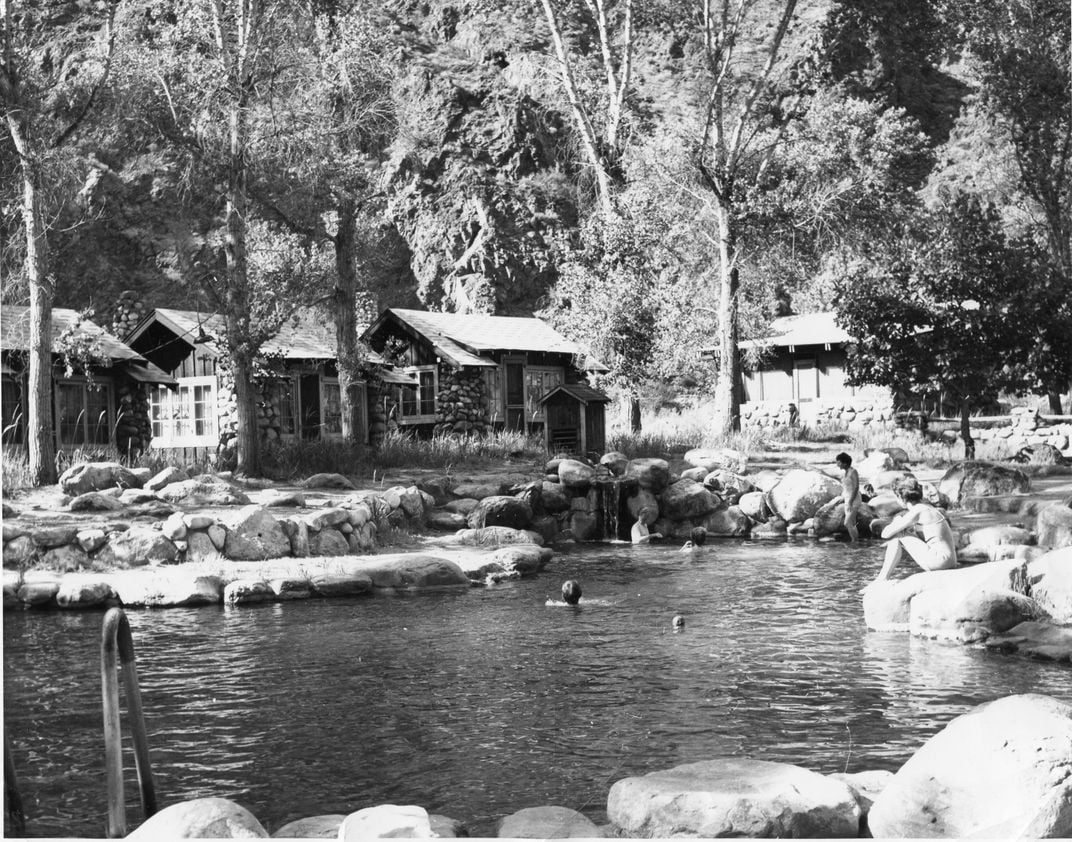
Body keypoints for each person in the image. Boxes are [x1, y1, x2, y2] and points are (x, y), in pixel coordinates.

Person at [871, 479, 957, 583]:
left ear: (901, 498)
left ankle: (882, 578)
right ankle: (882, 578)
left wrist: (897, 521)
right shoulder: (926, 507)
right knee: (902, 533)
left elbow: (885, 534)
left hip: (940, 561)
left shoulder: (918, 510)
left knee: (898, 534)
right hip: (948, 561)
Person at [819, 452, 861, 542]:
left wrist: (850, 501)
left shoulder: (853, 472)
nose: (837, 464)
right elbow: (839, 480)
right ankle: (856, 542)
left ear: (844, 463)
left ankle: (855, 541)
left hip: (854, 500)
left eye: (838, 462)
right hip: (847, 499)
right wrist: (823, 473)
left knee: (847, 523)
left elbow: (857, 487)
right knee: (852, 522)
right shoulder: (845, 473)